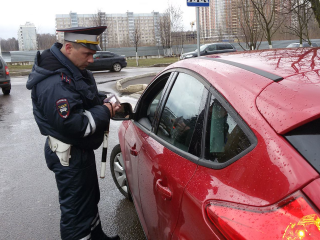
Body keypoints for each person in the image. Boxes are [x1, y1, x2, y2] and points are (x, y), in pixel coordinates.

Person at [26, 26, 120, 240]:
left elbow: (83, 96)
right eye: (87, 54)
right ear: (68, 47)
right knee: (76, 214)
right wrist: (105, 110)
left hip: (79, 152)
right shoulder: (54, 82)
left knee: (89, 200)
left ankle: (97, 236)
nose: (92, 60)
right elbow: (74, 124)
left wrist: (103, 99)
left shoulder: (69, 69)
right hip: (69, 155)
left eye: (94, 54)